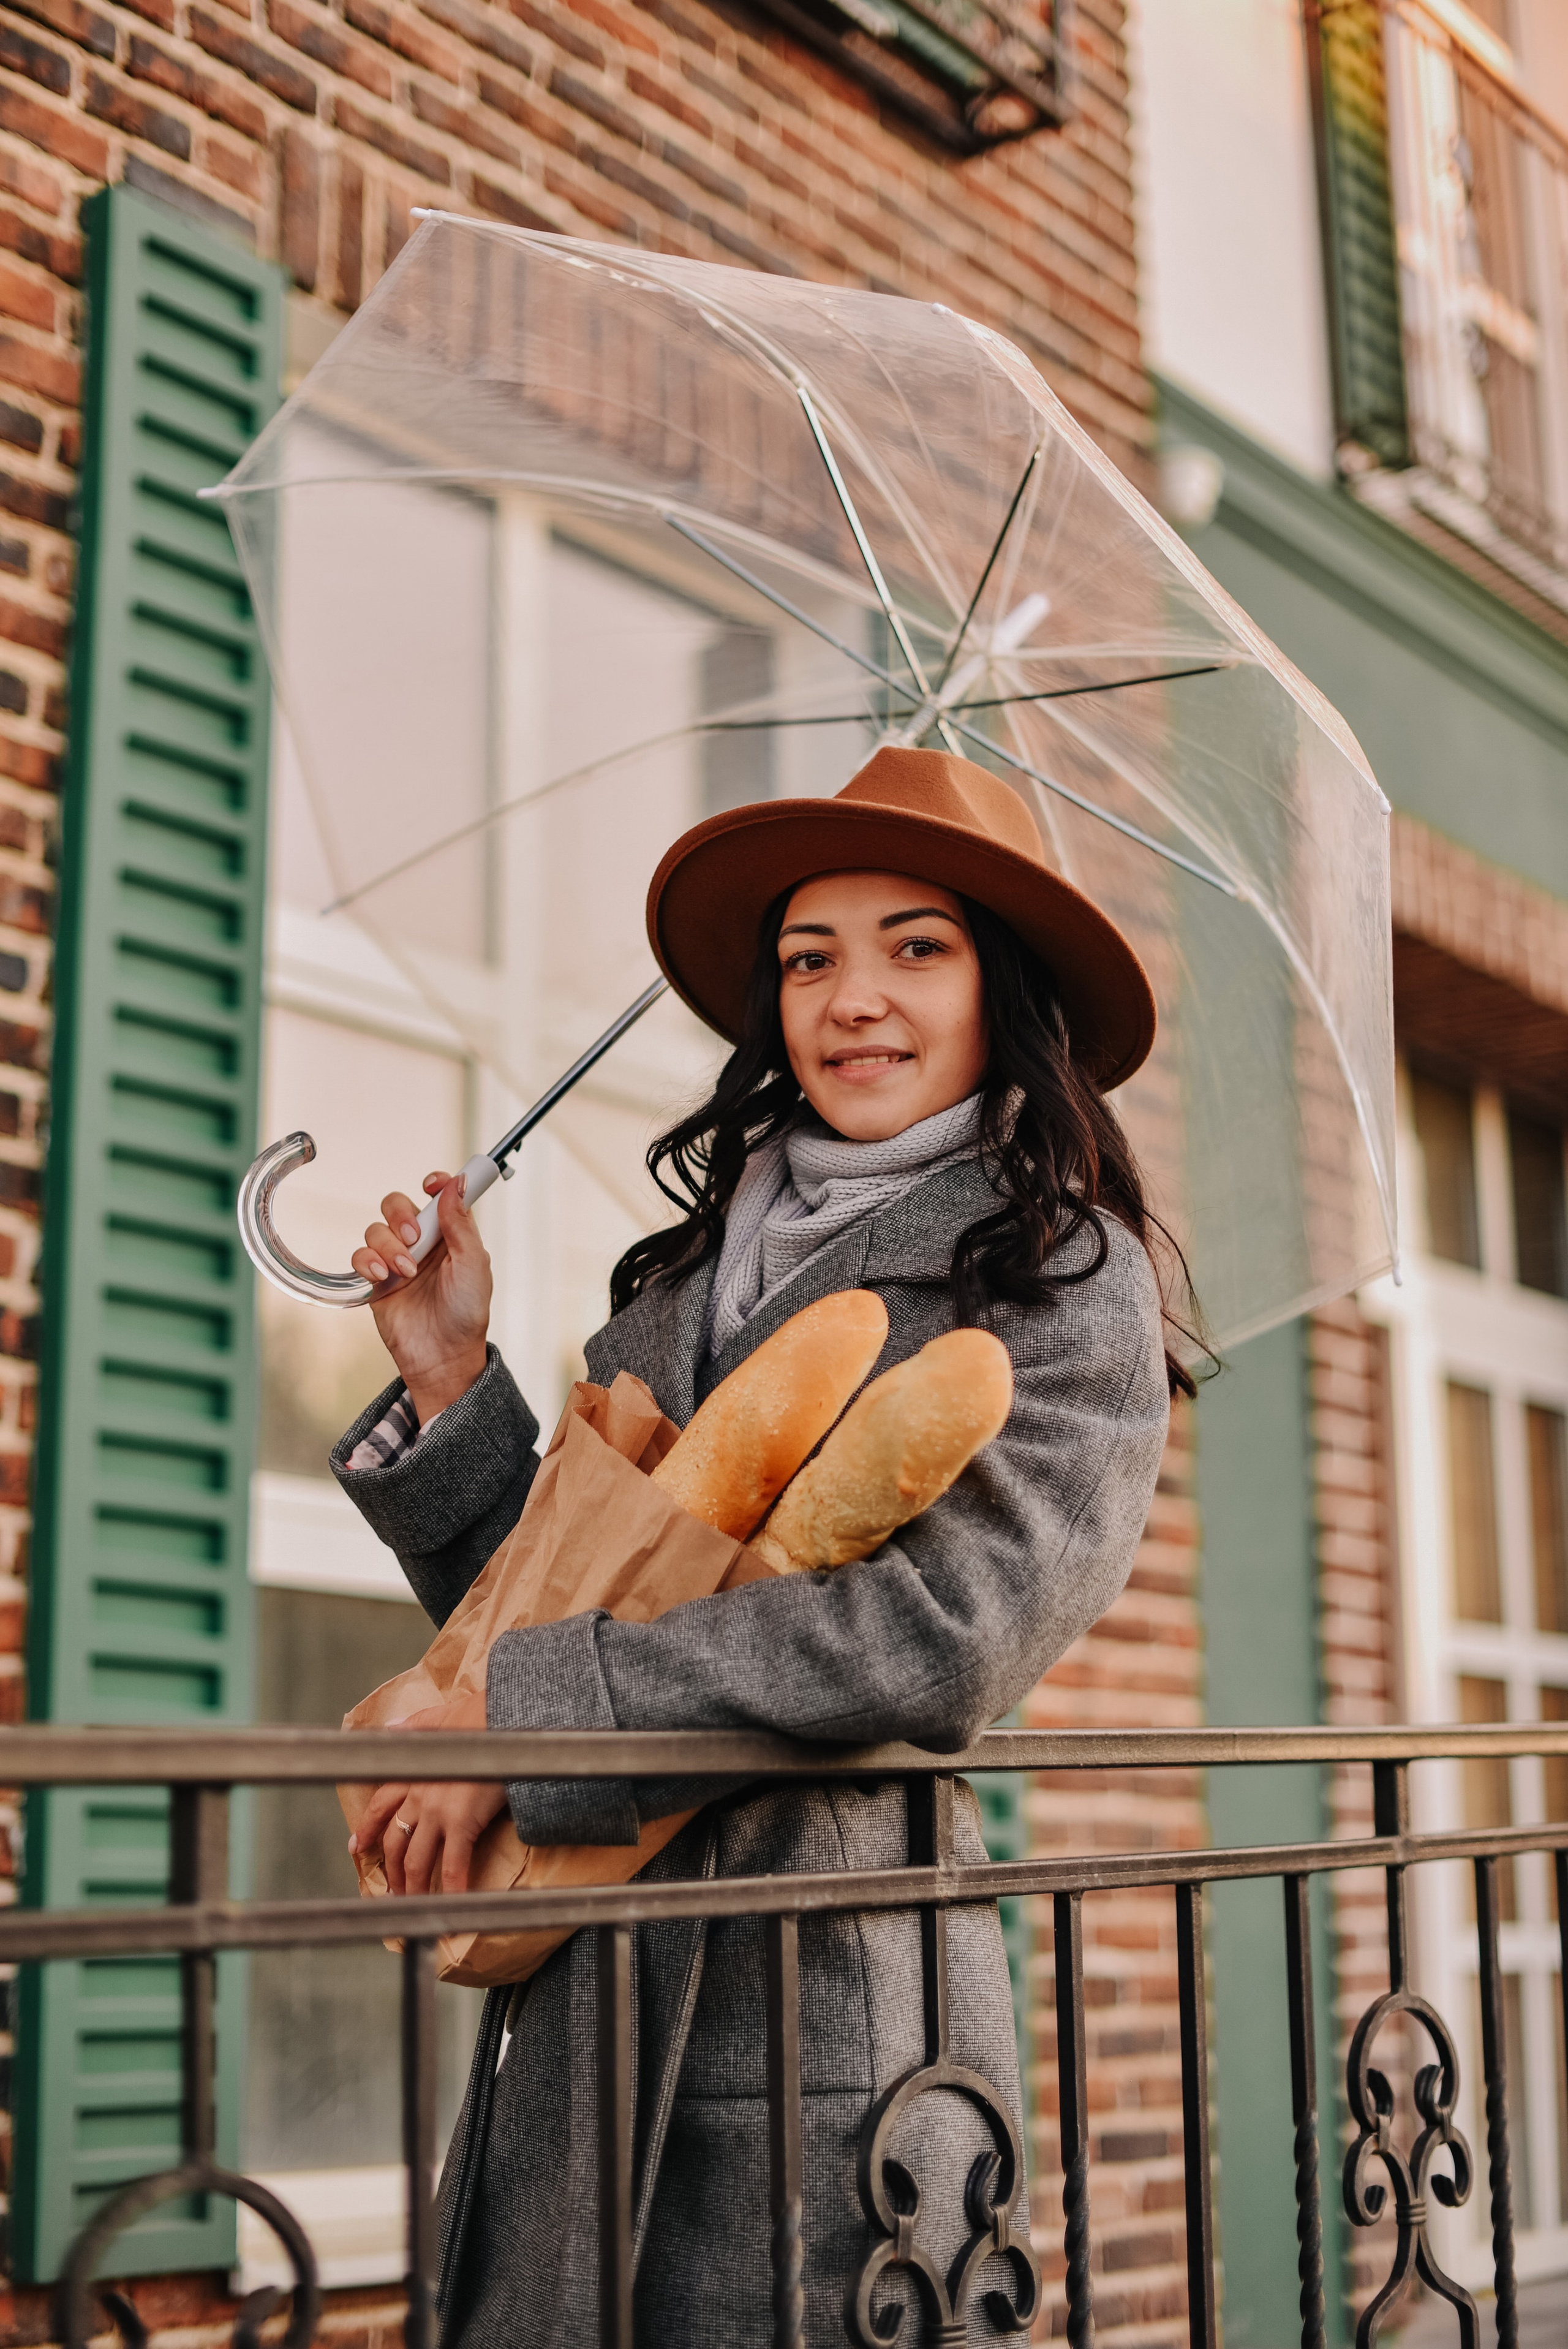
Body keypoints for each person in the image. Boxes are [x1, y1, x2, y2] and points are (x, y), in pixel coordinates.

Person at [334, 746, 1191, 2347]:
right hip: (579, 2002)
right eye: (811, 958)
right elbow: (539, 1605)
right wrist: (455, 1374)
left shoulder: (1064, 1277)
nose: (855, 996)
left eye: (916, 947)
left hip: (827, 2027)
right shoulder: (680, 1278)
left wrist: (520, 1723)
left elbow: (944, 1633)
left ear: (1000, 988)